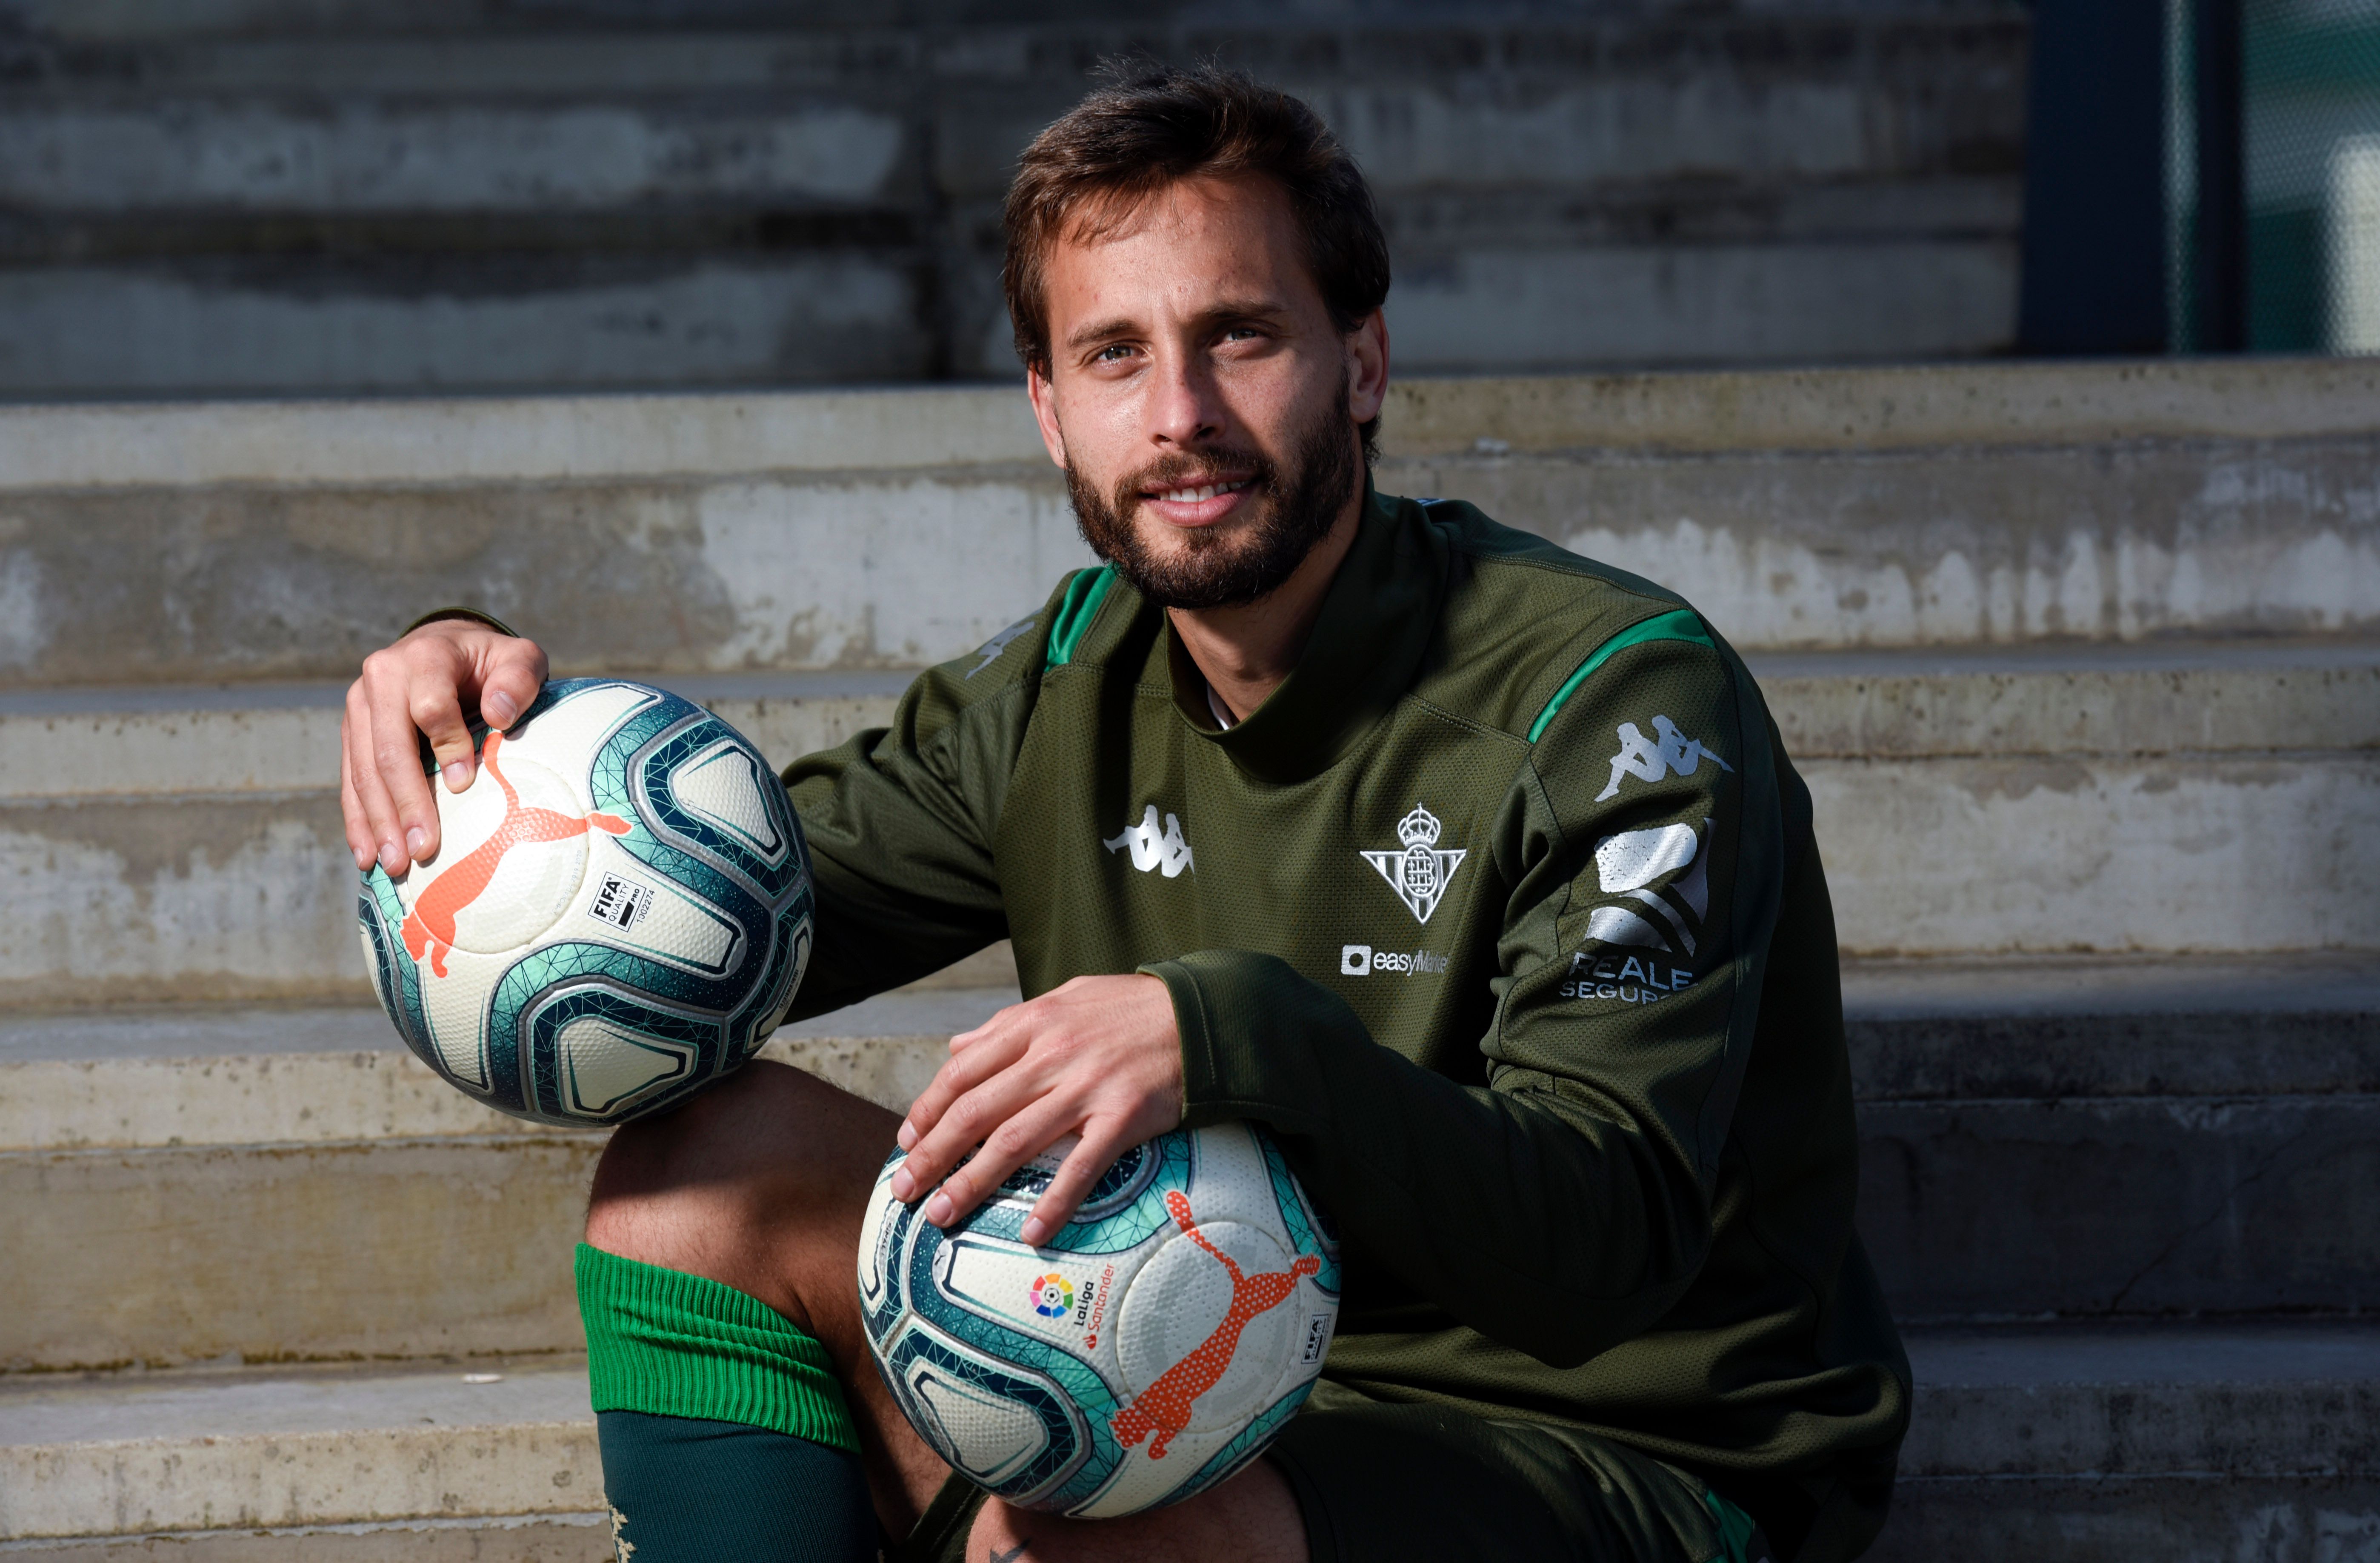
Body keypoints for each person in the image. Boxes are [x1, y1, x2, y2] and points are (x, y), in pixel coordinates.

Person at [340, 66, 1908, 1563]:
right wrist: (482, 713)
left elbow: (1600, 1243)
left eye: (1239, 335)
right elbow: (687, 915)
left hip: (1612, 1446)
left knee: (1113, 1543)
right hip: (1193, 1365)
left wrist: (1227, 1037)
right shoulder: (1060, 690)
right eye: (1112, 356)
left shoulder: (1623, 706)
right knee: (697, 1178)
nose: (1180, 412)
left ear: (1361, 362)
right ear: (1045, 406)